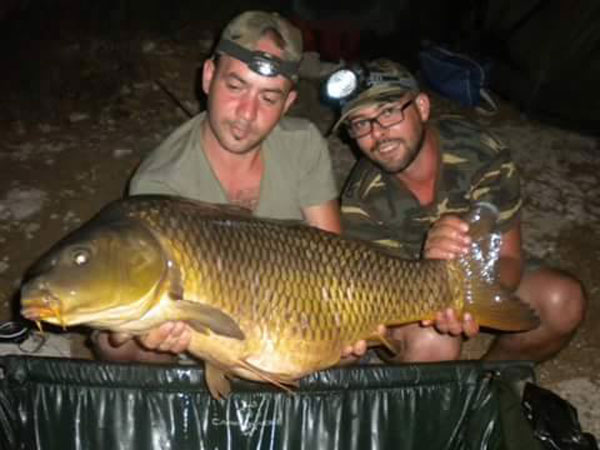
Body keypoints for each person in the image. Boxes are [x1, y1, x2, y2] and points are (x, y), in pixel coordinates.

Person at [93, 10, 345, 362]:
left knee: (347, 342)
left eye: (268, 98)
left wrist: (344, 325)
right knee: (121, 343)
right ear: (209, 76)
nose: (246, 113)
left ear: (287, 104)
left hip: (291, 322)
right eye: (236, 86)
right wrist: (155, 332)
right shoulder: (160, 181)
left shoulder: (303, 144)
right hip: (206, 332)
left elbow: (336, 261)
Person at [333, 59, 586, 363]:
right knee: (434, 342)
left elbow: (509, 257)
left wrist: (471, 299)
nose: (378, 134)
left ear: (422, 107)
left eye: (388, 112)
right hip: (404, 297)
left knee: (563, 301)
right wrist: (439, 298)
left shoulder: (479, 153)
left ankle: (489, 382)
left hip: (481, 270)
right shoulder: (360, 199)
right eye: (361, 123)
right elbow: (378, 300)